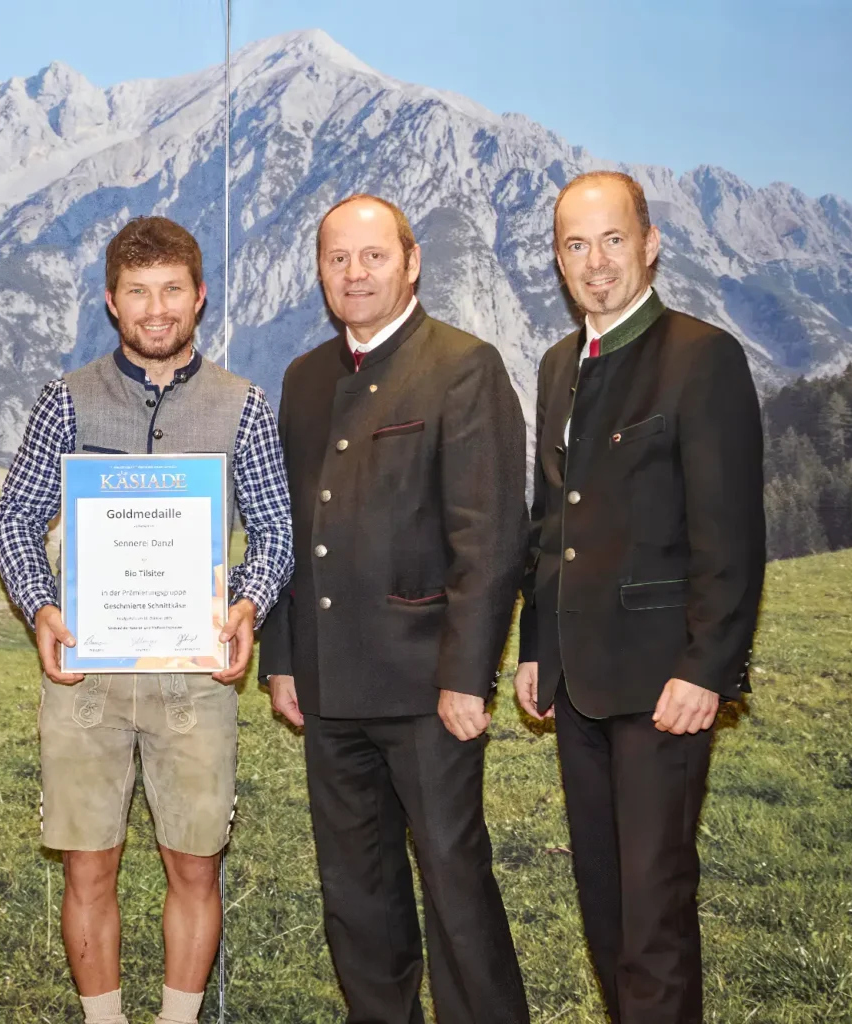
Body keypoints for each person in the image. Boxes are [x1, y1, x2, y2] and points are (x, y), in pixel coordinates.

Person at [0, 216, 292, 1024]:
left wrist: (246, 602)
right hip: (85, 675)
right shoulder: (67, 399)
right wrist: (42, 605)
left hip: (196, 677)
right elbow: (13, 518)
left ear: (199, 296)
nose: (156, 309)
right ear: (112, 302)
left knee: (194, 868)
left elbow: (276, 530)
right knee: (88, 869)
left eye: (171, 291)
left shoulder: (244, 407)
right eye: (137, 292)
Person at [260, 194, 530, 1024]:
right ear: (320, 273)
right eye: (337, 258)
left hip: (427, 687)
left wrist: (467, 676)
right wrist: (282, 658)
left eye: (373, 256)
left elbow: (490, 537)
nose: (355, 273)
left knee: (454, 884)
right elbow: (287, 526)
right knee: (356, 892)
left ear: (412, 262)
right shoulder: (305, 378)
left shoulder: (464, 365)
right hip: (329, 685)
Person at [514, 171, 765, 1022]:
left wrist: (707, 668)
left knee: (653, 913)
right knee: (606, 906)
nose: (596, 262)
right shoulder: (558, 366)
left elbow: (731, 535)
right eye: (576, 245)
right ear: (559, 261)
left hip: (666, 687)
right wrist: (536, 647)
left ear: (651, 244)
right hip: (576, 683)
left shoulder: (702, 356)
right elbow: (551, 521)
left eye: (613, 240)